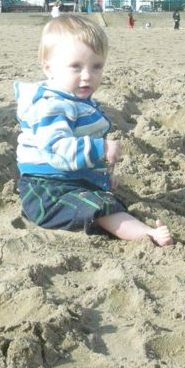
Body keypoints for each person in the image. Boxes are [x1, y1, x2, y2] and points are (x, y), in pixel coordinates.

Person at [14, 15, 173, 246]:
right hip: (46, 190)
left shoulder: (76, 100)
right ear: (49, 68)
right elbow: (58, 150)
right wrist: (101, 148)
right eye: (75, 67)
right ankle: (148, 235)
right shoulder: (51, 106)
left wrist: (102, 174)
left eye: (96, 66)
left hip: (70, 180)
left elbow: (81, 147)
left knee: (102, 200)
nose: (87, 75)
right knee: (101, 208)